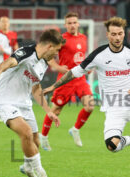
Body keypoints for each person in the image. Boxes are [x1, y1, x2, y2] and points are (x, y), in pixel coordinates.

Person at [43, 17, 130, 171]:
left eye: (120, 34)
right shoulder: (98, 55)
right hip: (113, 107)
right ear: (107, 35)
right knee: (112, 145)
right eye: (113, 34)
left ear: (124, 34)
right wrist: (54, 86)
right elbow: (74, 72)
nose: (117, 38)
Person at [0, 29, 65, 177]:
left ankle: (27, 166)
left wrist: (49, 112)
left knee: (35, 142)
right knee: (26, 132)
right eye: (57, 50)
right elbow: (11, 61)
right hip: (6, 102)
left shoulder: (43, 63)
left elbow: (36, 88)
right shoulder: (26, 52)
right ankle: (40, 172)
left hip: (25, 105)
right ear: (49, 46)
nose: (57, 54)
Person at [40, 12, 95, 150]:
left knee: (90, 106)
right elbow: (47, 56)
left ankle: (75, 130)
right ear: (65, 25)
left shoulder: (83, 38)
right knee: (56, 111)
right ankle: (44, 137)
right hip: (65, 80)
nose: (72, 25)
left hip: (80, 79)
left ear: (78, 24)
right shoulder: (61, 39)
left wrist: (87, 67)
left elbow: (81, 56)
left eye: (74, 22)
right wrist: (58, 67)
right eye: (69, 23)